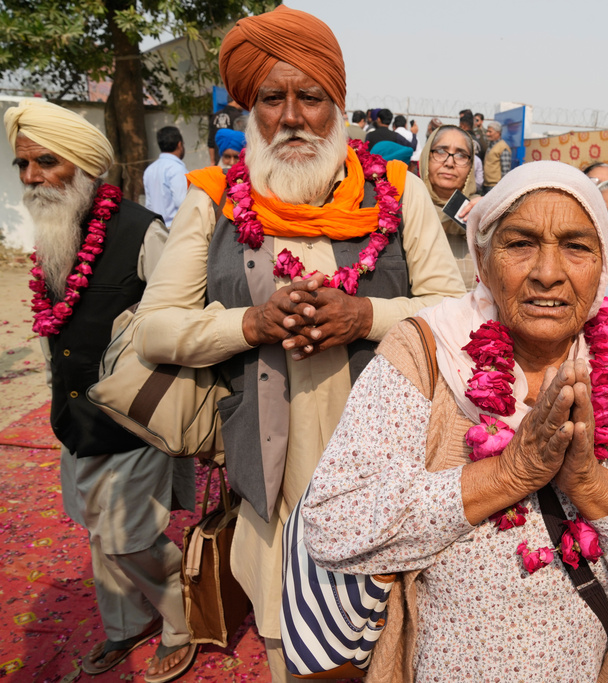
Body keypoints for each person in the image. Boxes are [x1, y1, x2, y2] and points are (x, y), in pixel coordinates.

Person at [302, 161, 608, 681]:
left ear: (604, 266)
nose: (548, 272)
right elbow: (332, 524)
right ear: (482, 261)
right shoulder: (424, 350)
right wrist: (509, 475)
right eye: (521, 243)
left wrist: (588, 483)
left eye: (577, 246)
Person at [129, 6, 465, 681]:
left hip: (390, 484)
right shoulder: (213, 199)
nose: (291, 116)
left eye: (309, 97)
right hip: (271, 493)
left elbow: (458, 315)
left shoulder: (399, 192)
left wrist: (365, 314)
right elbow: (154, 327)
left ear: (335, 105)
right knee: (292, 656)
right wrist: (247, 325)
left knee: (397, 646)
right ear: (249, 110)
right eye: (270, 99)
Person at [4, 99, 197, 683]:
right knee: (99, 532)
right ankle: (123, 626)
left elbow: (184, 315)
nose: (32, 178)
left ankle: (181, 621)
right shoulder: (55, 229)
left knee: (129, 535)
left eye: (46, 162)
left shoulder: (144, 231)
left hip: (134, 416)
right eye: (22, 165)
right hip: (75, 414)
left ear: (85, 166)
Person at [422, 124, 480, 290]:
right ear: (427, 156)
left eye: (461, 155)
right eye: (440, 151)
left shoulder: (482, 212)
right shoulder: (404, 208)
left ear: (470, 166)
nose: (449, 162)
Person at [143, 126, 188, 225]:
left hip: (157, 228)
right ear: (179, 144)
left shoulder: (149, 170)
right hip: (175, 229)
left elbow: (149, 206)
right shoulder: (177, 169)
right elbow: (183, 202)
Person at [208, 97, 244, 165]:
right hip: (236, 162)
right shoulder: (238, 117)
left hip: (220, 162)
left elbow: (211, 142)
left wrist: (212, 162)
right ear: (237, 100)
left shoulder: (215, 116)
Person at [481, 121, 511, 194]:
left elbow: (505, 171)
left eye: (490, 132)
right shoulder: (490, 145)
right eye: (487, 131)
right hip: (486, 185)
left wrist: (502, 188)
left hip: (495, 186)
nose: (487, 134)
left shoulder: (503, 147)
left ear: (498, 133)